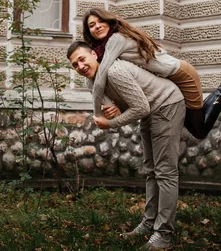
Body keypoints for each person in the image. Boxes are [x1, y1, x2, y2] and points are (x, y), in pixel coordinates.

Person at [67, 41, 184, 251]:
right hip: (150, 111)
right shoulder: (93, 83)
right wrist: (116, 112)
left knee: (165, 172)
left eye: (82, 59)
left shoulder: (113, 71)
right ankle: (149, 224)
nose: (80, 66)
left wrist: (110, 122)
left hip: (167, 104)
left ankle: (164, 236)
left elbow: (139, 108)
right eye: (75, 65)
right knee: (151, 170)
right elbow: (125, 108)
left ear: (94, 54)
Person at [82, 8, 221, 140]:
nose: (97, 26)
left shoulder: (115, 39)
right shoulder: (103, 48)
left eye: (100, 21)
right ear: (88, 31)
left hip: (181, 74)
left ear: (109, 21)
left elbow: (101, 77)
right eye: (92, 25)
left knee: (198, 130)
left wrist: (98, 114)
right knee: (194, 122)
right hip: (167, 81)